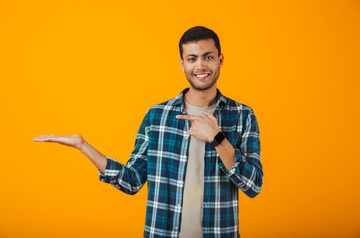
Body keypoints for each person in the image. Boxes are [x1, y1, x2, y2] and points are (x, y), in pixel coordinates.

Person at [34, 26, 263, 238]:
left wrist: (218, 138)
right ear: (182, 63)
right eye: (192, 59)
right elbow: (132, 181)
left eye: (208, 57)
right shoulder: (157, 116)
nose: (200, 66)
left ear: (220, 60)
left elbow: (253, 186)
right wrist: (83, 146)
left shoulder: (242, 115)